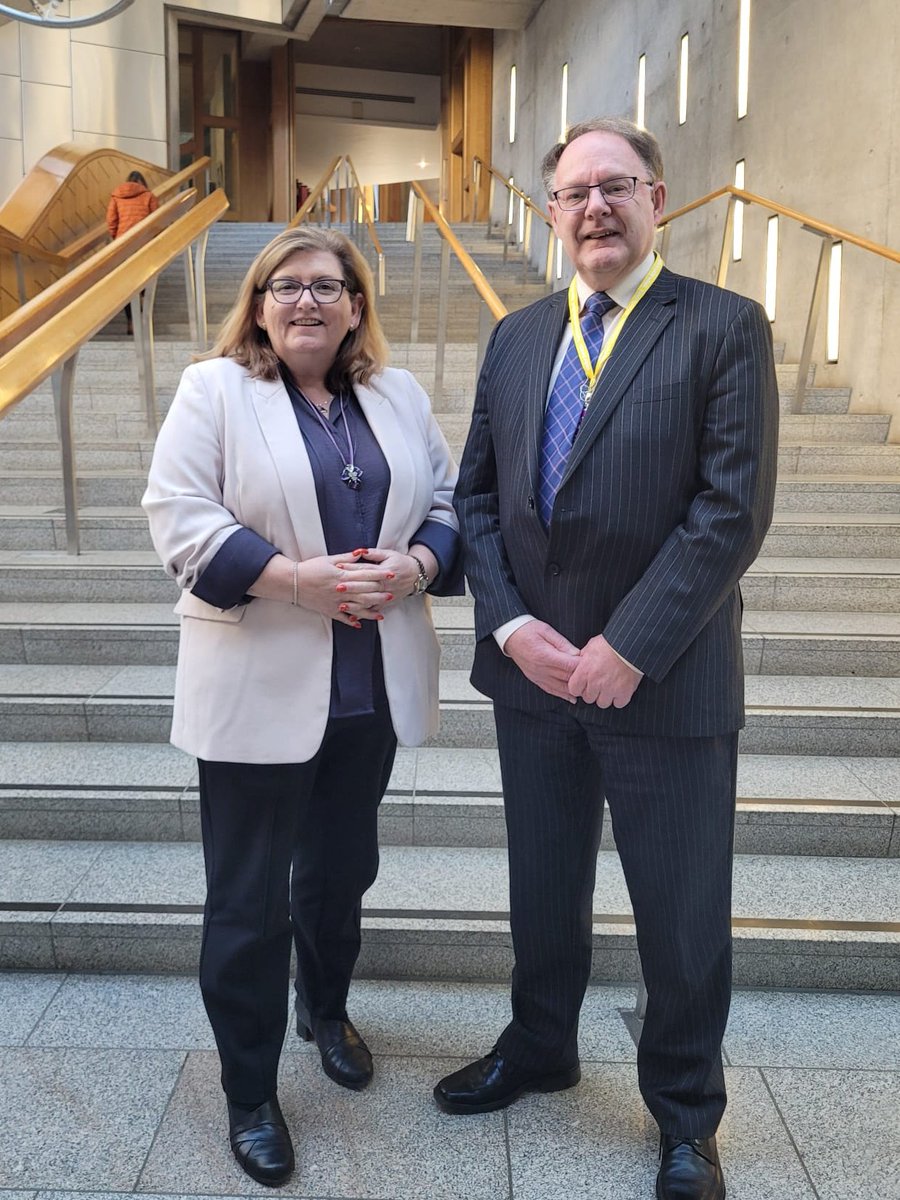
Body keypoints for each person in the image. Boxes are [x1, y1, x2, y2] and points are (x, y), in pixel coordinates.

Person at [436, 117, 778, 1200]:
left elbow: (731, 512)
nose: (595, 207)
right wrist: (507, 626)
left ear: (657, 199)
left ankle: (685, 1115)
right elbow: (478, 498)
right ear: (549, 213)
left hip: (665, 678)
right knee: (542, 887)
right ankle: (542, 1045)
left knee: (680, 912)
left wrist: (628, 646)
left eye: (615, 187)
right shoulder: (518, 335)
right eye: (574, 191)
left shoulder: (723, 326)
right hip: (534, 681)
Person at [143, 226, 460, 1188]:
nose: (307, 302)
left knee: (340, 872)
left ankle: (325, 1010)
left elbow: (449, 499)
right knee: (247, 901)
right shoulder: (215, 389)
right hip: (255, 690)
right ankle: (250, 1091)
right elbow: (178, 516)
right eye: (287, 287)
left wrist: (418, 564)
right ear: (260, 303)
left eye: (328, 287)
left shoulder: (396, 394)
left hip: (367, 690)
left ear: (358, 305)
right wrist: (291, 581)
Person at [106, 170, 158, 334]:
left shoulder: (116, 197)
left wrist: (118, 238)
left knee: (127, 285)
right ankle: (142, 298)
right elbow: (158, 219)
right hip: (144, 245)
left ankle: (131, 323)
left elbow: (111, 222)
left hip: (124, 245)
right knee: (145, 277)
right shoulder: (148, 196)